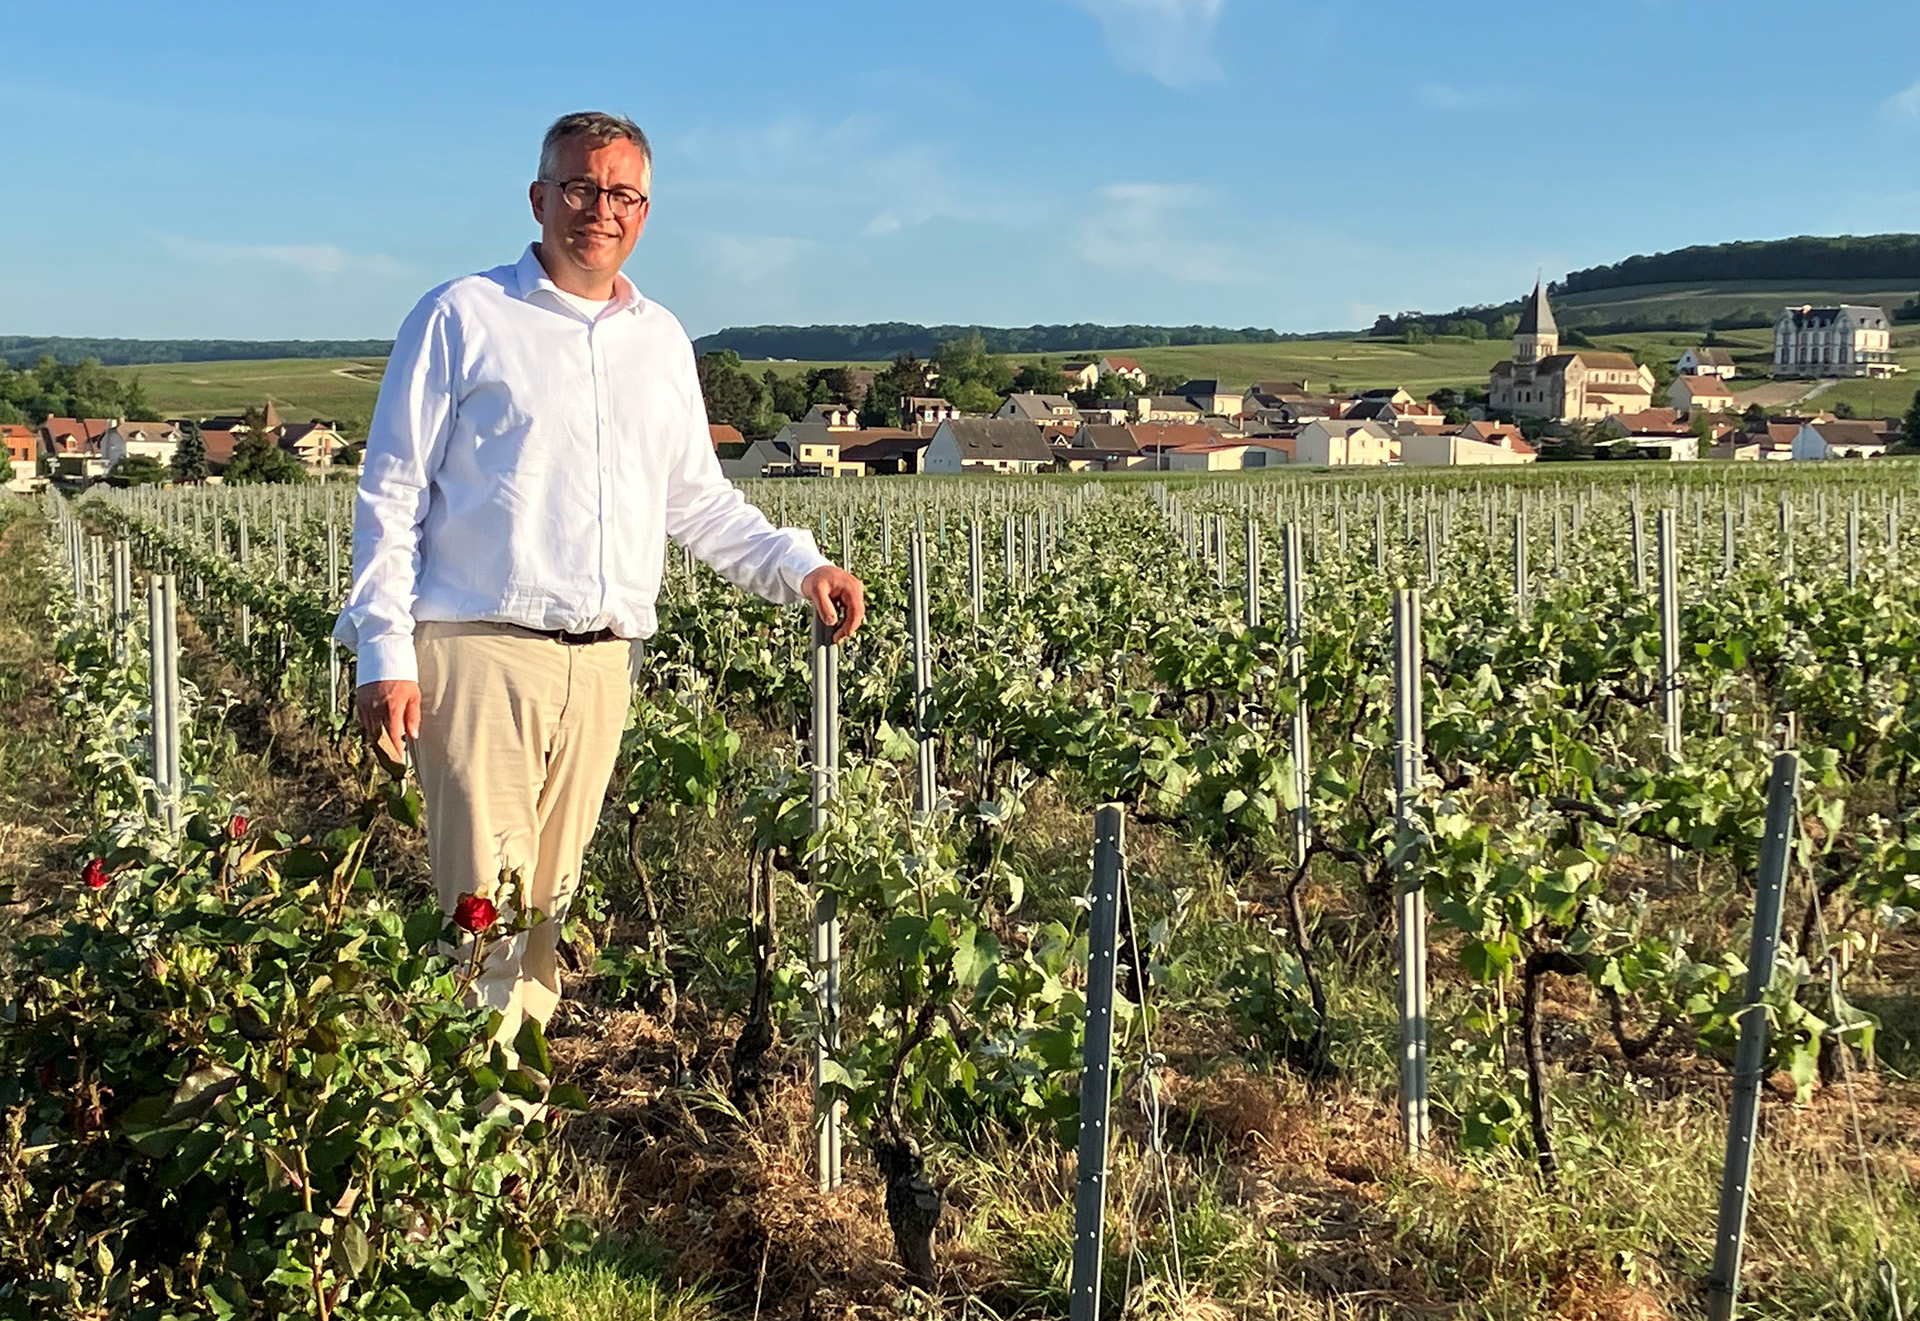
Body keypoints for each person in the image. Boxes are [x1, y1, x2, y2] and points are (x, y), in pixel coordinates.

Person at [334, 110, 865, 1042]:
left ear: (646, 212)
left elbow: (696, 501)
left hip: (603, 665)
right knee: (480, 914)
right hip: (479, 655)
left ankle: (508, 1130)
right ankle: (468, 1142)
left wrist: (798, 563)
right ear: (540, 199)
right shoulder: (463, 315)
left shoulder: (659, 340)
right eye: (580, 188)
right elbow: (391, 492)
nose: (599, 209)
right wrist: (384, 646)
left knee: (546, 913)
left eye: (621, 193)